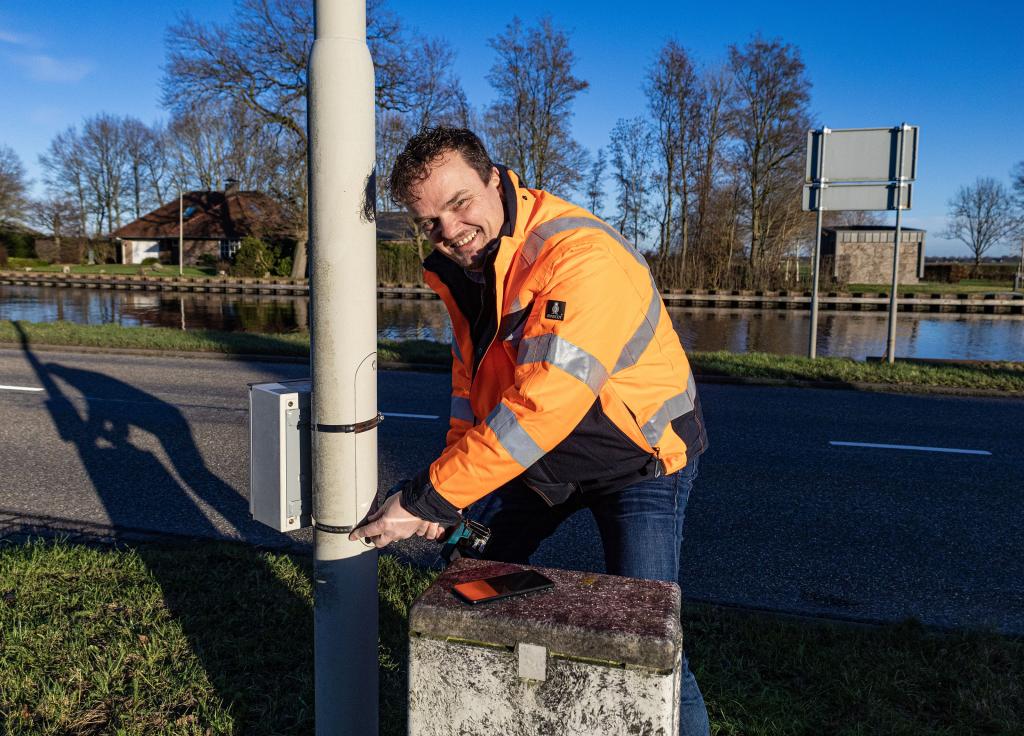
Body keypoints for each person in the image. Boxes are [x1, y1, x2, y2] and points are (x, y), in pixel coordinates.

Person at [350, 127, 710, 734]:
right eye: (429, 220)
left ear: (496, 179)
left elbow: (543, 405)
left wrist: (424, 499)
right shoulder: (469, 267)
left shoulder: (577, 256)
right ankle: (501, 697)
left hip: (639, 462)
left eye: (460, 203)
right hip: (541, 464)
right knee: (468, 577)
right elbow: (474, 393)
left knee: (645, 635)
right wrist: (451, 492)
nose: (449, 230)